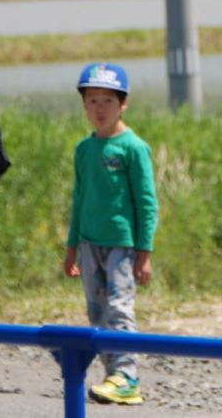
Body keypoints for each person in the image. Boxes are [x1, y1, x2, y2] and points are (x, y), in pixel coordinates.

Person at [64, 62, 158, 406]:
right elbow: (79, 199)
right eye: (92, 101)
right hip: (89, 243)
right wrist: (72, 247)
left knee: (120, 307)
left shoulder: (133, 148)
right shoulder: (84, 149)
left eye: (107, 101)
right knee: (96, 310)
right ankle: (111, 373)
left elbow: (146, 202)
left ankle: (127, 375)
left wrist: (144, 252)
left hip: (122, 244)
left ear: (123, 104)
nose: (99, 109)